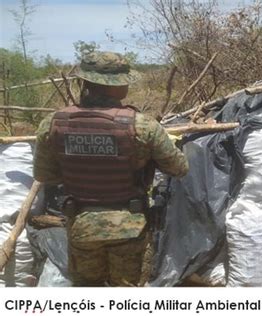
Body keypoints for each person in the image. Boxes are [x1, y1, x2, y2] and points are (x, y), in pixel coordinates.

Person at [33, 51, 189, 286]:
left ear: (85, 81)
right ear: (116, 87)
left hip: (81, 226)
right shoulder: (142, 125)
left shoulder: (54, 123)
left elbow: (44, 175)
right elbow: (179, 168)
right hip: (130, 228)